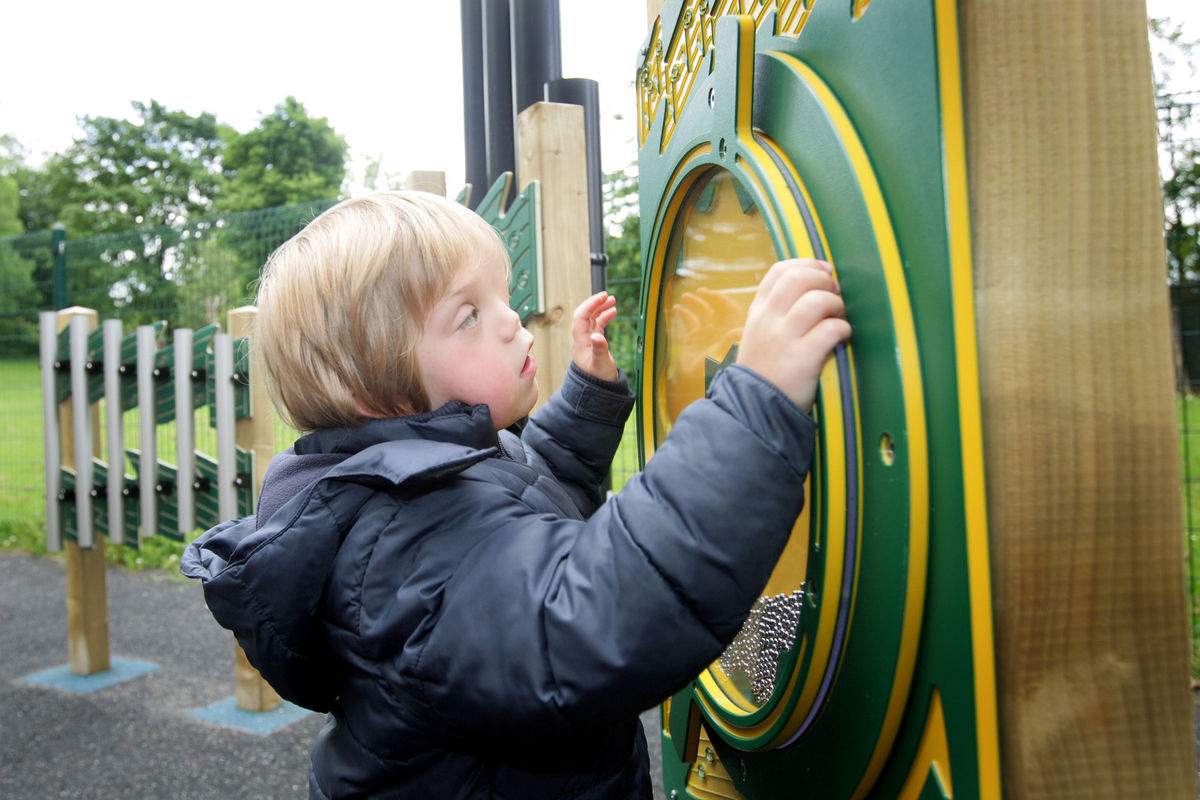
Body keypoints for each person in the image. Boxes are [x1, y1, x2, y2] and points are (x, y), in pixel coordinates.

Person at [181, 190, 850, 799]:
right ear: (374, 388)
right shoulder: (404, 549)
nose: (512, 322)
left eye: (504, 296)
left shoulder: (439, 471)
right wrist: (752, 405)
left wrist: (585, 402)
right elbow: (596, 618)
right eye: (469, 314)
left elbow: (532, 484)